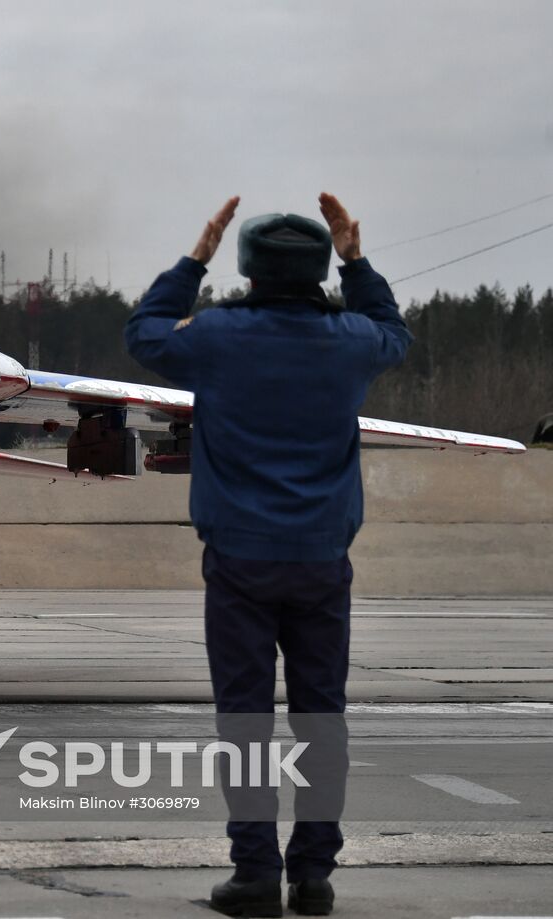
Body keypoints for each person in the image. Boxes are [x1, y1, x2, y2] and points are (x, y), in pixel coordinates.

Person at [124, 193, 412, 917]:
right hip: (321, 561)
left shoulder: (217, 337)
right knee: (321, 718)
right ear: (319, 269)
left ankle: (255, 874)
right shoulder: (350, 341)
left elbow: (145, 333)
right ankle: (313, 876)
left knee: (244, 719)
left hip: (239, 563)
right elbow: (393, 331)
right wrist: (356, 262)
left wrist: (194, 259)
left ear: (248, 268)